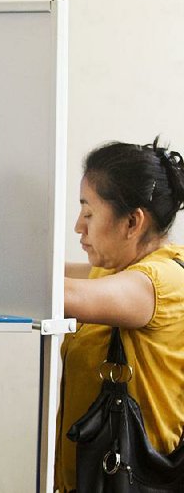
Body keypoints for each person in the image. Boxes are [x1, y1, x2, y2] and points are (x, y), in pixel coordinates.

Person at [55, 138, 184, 492]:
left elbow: (61, 290)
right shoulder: (115, 271)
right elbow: (50, 274)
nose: (79, 227)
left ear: (132, 221)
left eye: (89, 213)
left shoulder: (160, 281)